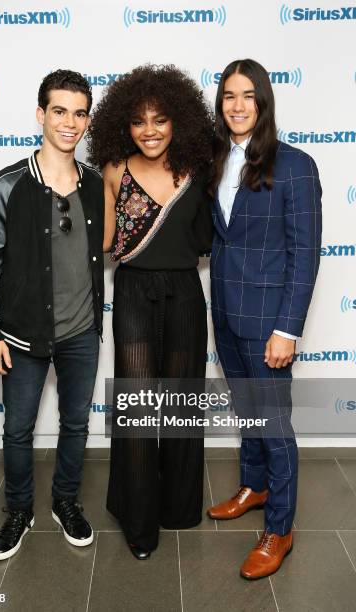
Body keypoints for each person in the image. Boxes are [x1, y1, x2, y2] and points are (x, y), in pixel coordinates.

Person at [0, 69, 104, 560]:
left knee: (76, 424)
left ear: (87, 120)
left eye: (79, 112)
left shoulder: (96, 185)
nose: (70, 122)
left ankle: (66, 501)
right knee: (18, 428)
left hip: (82, 332)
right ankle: (19, 511)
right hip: (20, 333)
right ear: (41, 115)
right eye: (59, 110)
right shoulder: (5, 186)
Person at [87, 64, 214, 559]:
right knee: (138, 406)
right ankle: (139, 520)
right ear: (125, 125)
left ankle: (179, 509)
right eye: (139, 122)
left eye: (160, 120)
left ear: (177, 121)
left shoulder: (196, 170)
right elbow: (102, 243)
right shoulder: (114, 168)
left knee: (182, 406)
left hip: (185, 292)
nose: (150, 131)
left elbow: (206, 238)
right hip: (135, 292)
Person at [207, 59, 322, 578]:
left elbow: (305, 253)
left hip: (269, 319)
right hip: (226, 313)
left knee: (275, 426)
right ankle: (254, 488)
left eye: (247, 95)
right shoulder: (213, 159)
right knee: (248, 414)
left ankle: (280, 527)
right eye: (229, 96)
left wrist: (287, 328)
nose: (237, 105)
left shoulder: (295, 165)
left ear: (264, 101)